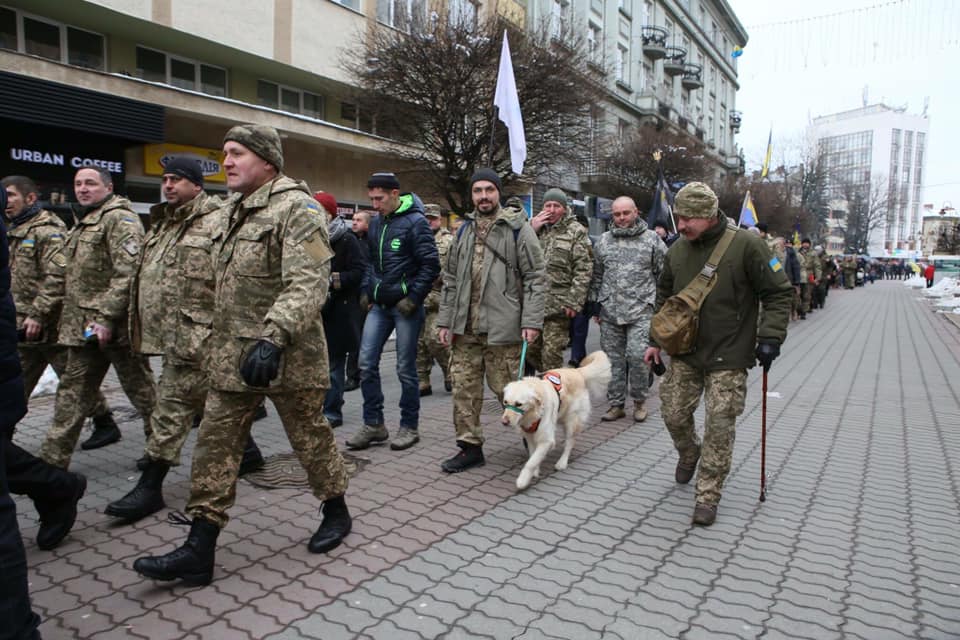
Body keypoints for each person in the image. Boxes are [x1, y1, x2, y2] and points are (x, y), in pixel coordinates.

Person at [133, 124, 351, 586]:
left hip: (288, 356)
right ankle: (200, 546)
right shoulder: (231, 212)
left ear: (268, 161)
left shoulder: (300, 210)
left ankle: (336, 510)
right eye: (224, 153)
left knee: (310, 441)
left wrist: (273, 337)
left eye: (237, 154)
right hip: (231, 357)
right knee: (215, 446)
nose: (226, 161)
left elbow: (310, 279)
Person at [104, 158, 261, 522]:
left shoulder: (218, 219)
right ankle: (249, 453)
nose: (168, 185)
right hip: (175, 339)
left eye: (177, 179)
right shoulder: (163, 223)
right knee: (204, 405)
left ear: (197, 185)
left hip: (205, 338)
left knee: (171, 411)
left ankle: (151, 486)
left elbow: (238, 277)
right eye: (165, 179)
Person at [644, 182, 792, 526]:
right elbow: (665, 293)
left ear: (708, 216)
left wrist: (770, 336)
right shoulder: (678, 250)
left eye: (688, 219)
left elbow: (779, 293)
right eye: (678, 218)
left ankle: (708, 494)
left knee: (719, 425)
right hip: (685, 350)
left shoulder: (748, 245)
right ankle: (688, 452)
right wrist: (656, 339)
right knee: (674, 414)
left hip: (730, 353)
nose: (681, 226)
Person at [39, 167, 157, 468]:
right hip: (82, 331)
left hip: (115, 329)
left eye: (90, 183)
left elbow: (127, 273)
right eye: (78, 183)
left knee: (143, 395)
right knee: (72, 395)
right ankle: (51, 465)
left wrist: (105, 317)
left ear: (108, 186)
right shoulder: (83, 222)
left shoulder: (120, 219)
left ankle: (159, 453)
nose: (83, 189)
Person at [436, 169, 545, 473]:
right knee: (463, 390)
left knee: (508, 392)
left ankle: (533, 437)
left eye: (489, 190)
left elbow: (536, 277)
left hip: (503, 328)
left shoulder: (516, 229)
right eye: (477, 191)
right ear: (471, 195)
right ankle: (469, 447)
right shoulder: (464, 230)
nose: (483, 196)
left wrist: (532, 320)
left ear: (498, 192)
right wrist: (445, 321)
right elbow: (450, 280)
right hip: (465, 329)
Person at [2, 175, 116, 429]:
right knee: (20, 386)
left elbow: (57, 277)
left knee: (72, 382)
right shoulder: (12, 230)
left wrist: (38, 314)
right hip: (22, 327)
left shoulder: (48, 231)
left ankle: (104, 419)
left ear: (30, 198)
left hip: (49, 325)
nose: (5, 201)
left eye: (11, 195)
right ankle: (105, 420)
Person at [345, 172, 439, 452]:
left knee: (405, 369)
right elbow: (371, 262)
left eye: (380, 198)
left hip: (405, 308)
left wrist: (414, 297)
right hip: (379, 306)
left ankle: (409, 426)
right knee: (366, 364)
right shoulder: (375, 224)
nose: (375, 204)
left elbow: (431, 265)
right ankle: (374, 424)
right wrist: (366, 290)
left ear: (395, 194)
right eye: (371, 198)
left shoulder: (416, 223)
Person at [589, 196, 667, 423]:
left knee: (637, 357)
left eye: (626, 213)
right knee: (612, 361)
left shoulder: (652, 240)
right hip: (610, 311)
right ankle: (616, 405)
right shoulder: (603, 241)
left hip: (642, 311)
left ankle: (640, 402)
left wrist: (660, 309)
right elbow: (597, 275)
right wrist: (595, 304)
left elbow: (664, 276)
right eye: (617, 214)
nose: (621, 218)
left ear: (636, 212)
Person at [527, 188, 593, 373]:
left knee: (551, 354)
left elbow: (584, 268)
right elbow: (519, 257)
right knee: (531, 351)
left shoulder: (575, 231)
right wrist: (531, 230)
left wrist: (574, 301)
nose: (552, 209)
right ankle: (549, 382)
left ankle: (555, 394)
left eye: (556, 206)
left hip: (558, 307)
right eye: (548, 205)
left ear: (564, 209)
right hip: (534, 305)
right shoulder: (534, 229)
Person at [317, 191, 365, 428]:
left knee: (334, 365)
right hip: (317, 312)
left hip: (339, 312)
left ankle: (333, 411)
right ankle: (326, 404)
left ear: (329, 213)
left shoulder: (347, 240)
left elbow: (358, 272)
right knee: (320, 366)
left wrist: (331, 280)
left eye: (318, 210)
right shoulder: (312, 238)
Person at [415, 204, 453, 396]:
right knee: (418, 342)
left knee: (434, 339)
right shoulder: (415, 238)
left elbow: (454, 269)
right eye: (426, 218)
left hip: (439, 297)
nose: (429, 222)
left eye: (433, 218)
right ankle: (423, 380)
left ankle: (449, 371)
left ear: (439, 219)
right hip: (417, 297)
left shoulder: (448, 241)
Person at [344, 211, 372, 392]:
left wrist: (368, 295)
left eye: (358, 220)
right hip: (350, 296)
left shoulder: (373, 242)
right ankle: (354, 373)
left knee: (361, 337)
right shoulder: (348, 240)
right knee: (353, 337)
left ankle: (356, 374)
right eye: (353, 220)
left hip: (366, 296)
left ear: (367, 224)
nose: (354, 223)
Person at [784, 239, 802, 321]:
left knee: (792, 298)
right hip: (781, 279)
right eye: (786, 244)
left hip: (789, 279)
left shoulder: (792, 254)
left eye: (789, 243)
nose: (788, 245)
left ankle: (793, 311)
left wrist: (797, 282)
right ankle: (787, 314)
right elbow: (775, 267)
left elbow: (796, 268)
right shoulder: (774, 255)